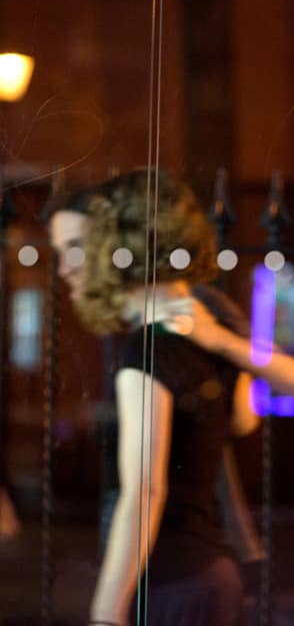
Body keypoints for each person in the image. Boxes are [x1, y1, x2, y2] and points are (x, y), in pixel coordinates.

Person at [48, 176, 294, 562]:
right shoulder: (128, 318)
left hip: (195, 544)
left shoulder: (196, 306)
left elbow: (288, 391)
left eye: (77, 247)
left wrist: (219, 344)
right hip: (163, 547)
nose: (67, 267)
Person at [69, 170, 258, 625]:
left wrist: (104, 613)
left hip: (171, 583)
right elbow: (244, 420)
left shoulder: (146, 350)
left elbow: (145, 490)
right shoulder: (203, 338)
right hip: (212, 571)